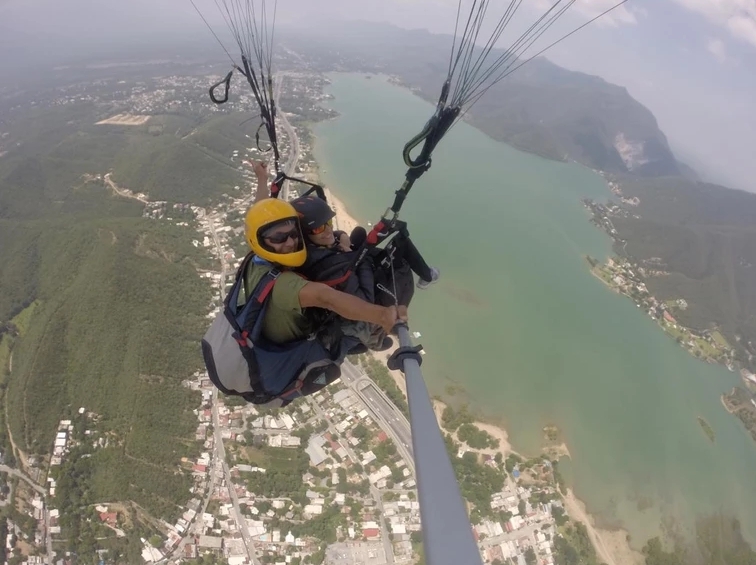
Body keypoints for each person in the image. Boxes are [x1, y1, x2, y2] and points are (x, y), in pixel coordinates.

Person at [242, 197, 407, 352]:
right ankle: (366, 342)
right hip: (301, 345)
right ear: (259, 241)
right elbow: (327, 298)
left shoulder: (255, 258)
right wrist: (382, 315)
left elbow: (258, 219)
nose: (291, 242)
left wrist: (262, 180)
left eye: (294, 234)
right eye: (279, 238)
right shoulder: (284, 285)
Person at [290, 194, 438, 351]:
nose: (328, 230)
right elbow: (365, 300)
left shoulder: (307, 250)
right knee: (401, 262)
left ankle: (427, 275)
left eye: (329, 222)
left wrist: (343, 238)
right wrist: (357, 257)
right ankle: (376, 338)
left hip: (346, 273)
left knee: (359, 233)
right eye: (318, 228)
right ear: (304, 234)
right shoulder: (331, 268)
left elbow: (332, 235)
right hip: (363, 303)